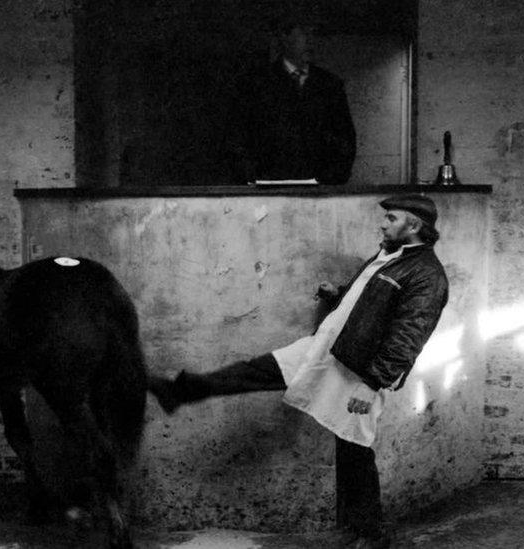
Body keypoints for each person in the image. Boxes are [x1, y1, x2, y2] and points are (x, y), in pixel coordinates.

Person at [148, 193, 449, 549]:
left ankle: (368, 534)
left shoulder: (427, 275)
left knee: (354, 445)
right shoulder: (388, 254)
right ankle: (180, 390)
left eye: (391, 219)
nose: (382, 224)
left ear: (414, 226)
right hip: (326, 348)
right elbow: (365, 302)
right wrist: (336, 295)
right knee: (258, 370)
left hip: (358, 370)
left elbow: (409, 335)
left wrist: (372, 385)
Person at [225, 11, 357, 185]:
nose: (310, 40)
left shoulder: (329, 85)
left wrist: (332, 179)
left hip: (320, 187)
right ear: (284, 36)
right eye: (303, 32)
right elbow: (238, 135)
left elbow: (345, 139)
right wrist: (251, 178)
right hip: (268, 185)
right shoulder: (256, 84)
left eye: (314, 33)